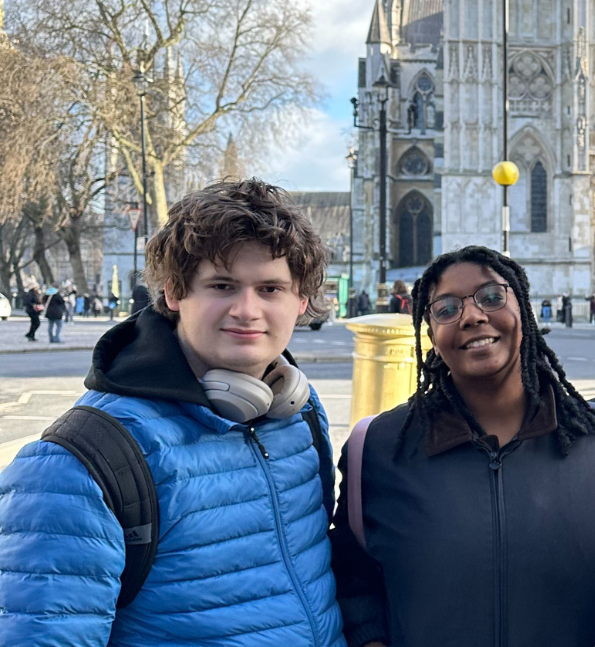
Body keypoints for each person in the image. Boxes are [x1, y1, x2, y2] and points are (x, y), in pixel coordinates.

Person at [0, 179, 343, 646]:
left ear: (301, 301)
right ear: (175, 292)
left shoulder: (299, 414)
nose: (247, 310)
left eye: (270, 288)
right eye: (222, 285)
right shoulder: (80, 461)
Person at [330, 245, 595, 647]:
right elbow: (352, 578)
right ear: (431, 333)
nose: (472, 316)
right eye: (447, 309)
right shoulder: (379, 450)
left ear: (523, 308)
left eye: (491, 297)